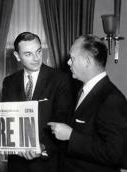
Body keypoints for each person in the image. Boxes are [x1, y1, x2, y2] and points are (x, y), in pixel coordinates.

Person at [48, 34, 127, 172]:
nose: (68, 63)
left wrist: (71, 136)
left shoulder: (111, 99)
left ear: (87, 61)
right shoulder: (81, 91)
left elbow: (116, 154)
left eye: (72, 58)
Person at [2, 32, 74, 172]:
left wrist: (42, 146)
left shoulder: (60, 79)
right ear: (17, 56)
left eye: (38, 52)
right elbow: (7, 119)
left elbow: (62, 118)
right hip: (17, 164)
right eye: (28, 54)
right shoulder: (9, 82)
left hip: (47, 163)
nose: (36, 58)